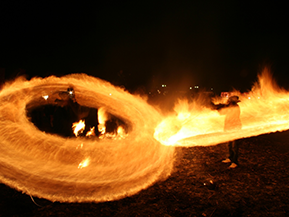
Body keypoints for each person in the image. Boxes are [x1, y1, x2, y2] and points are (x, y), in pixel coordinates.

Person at [216, 95, 242, 169]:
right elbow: (222, 113)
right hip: (229, 127)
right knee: (230, 144)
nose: (228, 102)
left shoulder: (235, 108)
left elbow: (229, 115)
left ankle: (235, 162)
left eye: (229, 101)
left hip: (235, 128)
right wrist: (218, 108)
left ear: (232, 102)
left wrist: (221, 108)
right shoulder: (230, 107)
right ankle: (230, 158)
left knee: (235, 146)